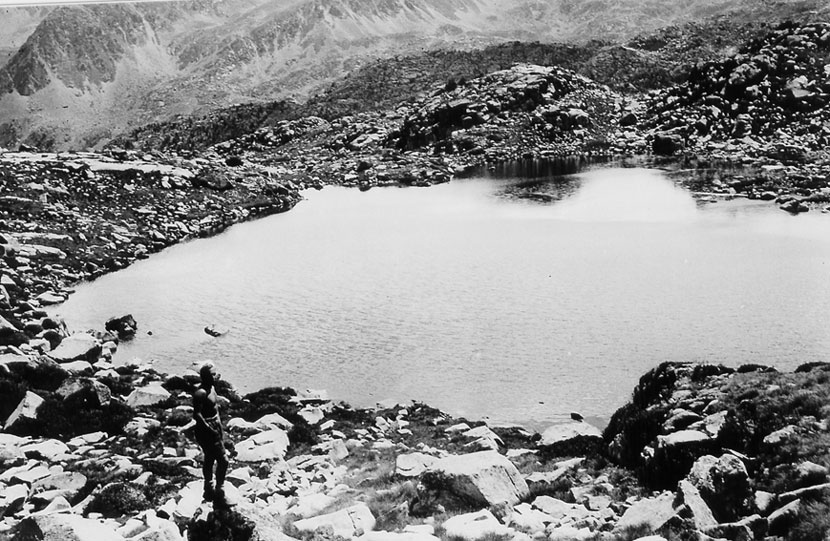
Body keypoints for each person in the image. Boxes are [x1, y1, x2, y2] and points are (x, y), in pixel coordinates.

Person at [193, 361, 230, 502]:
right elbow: (197, 414)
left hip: (216, 427)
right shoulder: (200, 393)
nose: (215, 377)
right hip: (206, 430)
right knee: (223, 460)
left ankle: (208, 489)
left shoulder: (212, 388)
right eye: (212, 375)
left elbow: (216, 410)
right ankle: (219, 489)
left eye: (215, 374)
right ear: (204, 377)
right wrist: (210, 429)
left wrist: (220, 428)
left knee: (209, 457)